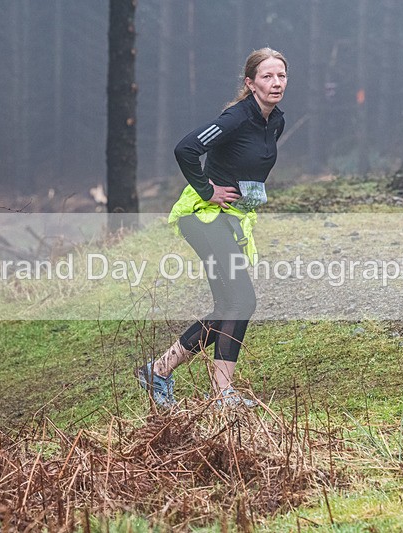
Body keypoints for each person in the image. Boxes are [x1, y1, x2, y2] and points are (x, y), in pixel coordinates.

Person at [137, 47, 288, 409]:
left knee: (230, 303)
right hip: (202, 215)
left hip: (229, 219)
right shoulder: (235, 118)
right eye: (267, 76)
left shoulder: (275, 121)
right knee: (242, 299)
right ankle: (220, 393)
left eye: (281, 75)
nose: (276, 82)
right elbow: (186, 148)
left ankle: (160, 370)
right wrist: (209, 188)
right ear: (250, 83)